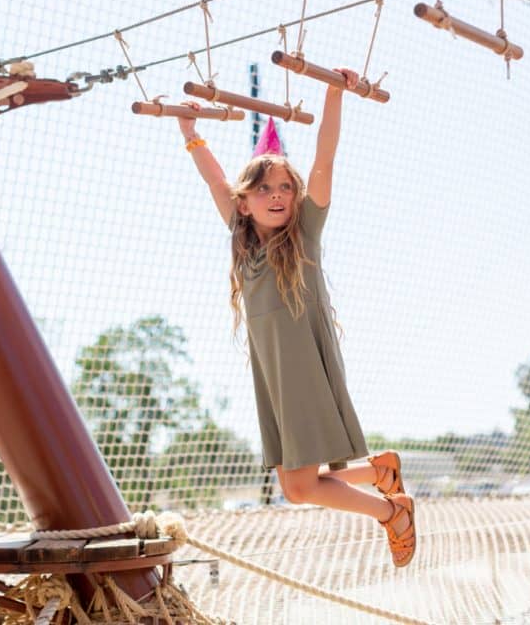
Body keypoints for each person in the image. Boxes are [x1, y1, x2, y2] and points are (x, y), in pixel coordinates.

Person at [178, 69, 415, 567]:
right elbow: (213, 178)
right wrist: (188, 130)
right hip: (274, 376)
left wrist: (334, 95)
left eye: (285, 186)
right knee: (295, 486)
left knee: (301, 485)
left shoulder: (304, 235)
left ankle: (391, 512)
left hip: (304, 366)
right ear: (244, 203)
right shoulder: (241, 240)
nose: (277, 195)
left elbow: (324, 160)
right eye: (264, 189)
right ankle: (381, 473)